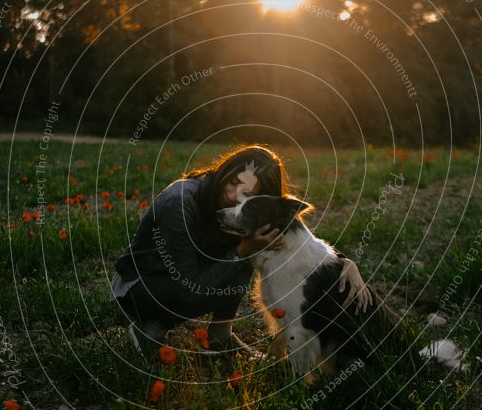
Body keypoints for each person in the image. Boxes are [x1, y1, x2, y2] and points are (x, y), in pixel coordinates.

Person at [111, 144, 372, 361]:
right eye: (234, 182)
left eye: (247, 195)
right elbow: (188, 288)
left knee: (253, 246)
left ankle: (219, 338)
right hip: (144, 285)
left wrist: (342, 263)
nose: (234, 195)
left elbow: (295, 239)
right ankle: (149, 330)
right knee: (246, 251)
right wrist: (243, 250)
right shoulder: (179, 203)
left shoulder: (237, 213)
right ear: (226, 168)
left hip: (191, 274)